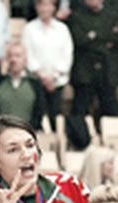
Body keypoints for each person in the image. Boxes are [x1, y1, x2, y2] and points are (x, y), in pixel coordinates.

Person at [63, 0, 118, 150]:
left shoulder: (113, 13)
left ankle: (113, 147)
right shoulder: (76, 16)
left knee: (110, 112)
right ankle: (79, 145)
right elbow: (79, 39)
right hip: (84, 73)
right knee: (79, 112)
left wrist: (93, 36)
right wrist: (102, 38)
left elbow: (116, 38)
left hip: (107, 72)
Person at [21, 0, 73, 135]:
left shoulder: (62, 29)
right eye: (41, 5)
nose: (44, 8)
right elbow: (28, 54)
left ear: (53, 7)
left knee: (56, 116)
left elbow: (67, 54)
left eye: (47, 5)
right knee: (37, 116)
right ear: (36, 7)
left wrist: (54, 76)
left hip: (57, 81)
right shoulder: (29, 29)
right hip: (36, 80)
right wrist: (42, 76)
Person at [0, 42, 46, 128]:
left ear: (25, 60)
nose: (13, 60)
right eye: (10, 56)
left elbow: (39, 112)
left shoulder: (35, 84)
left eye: (17, 56)